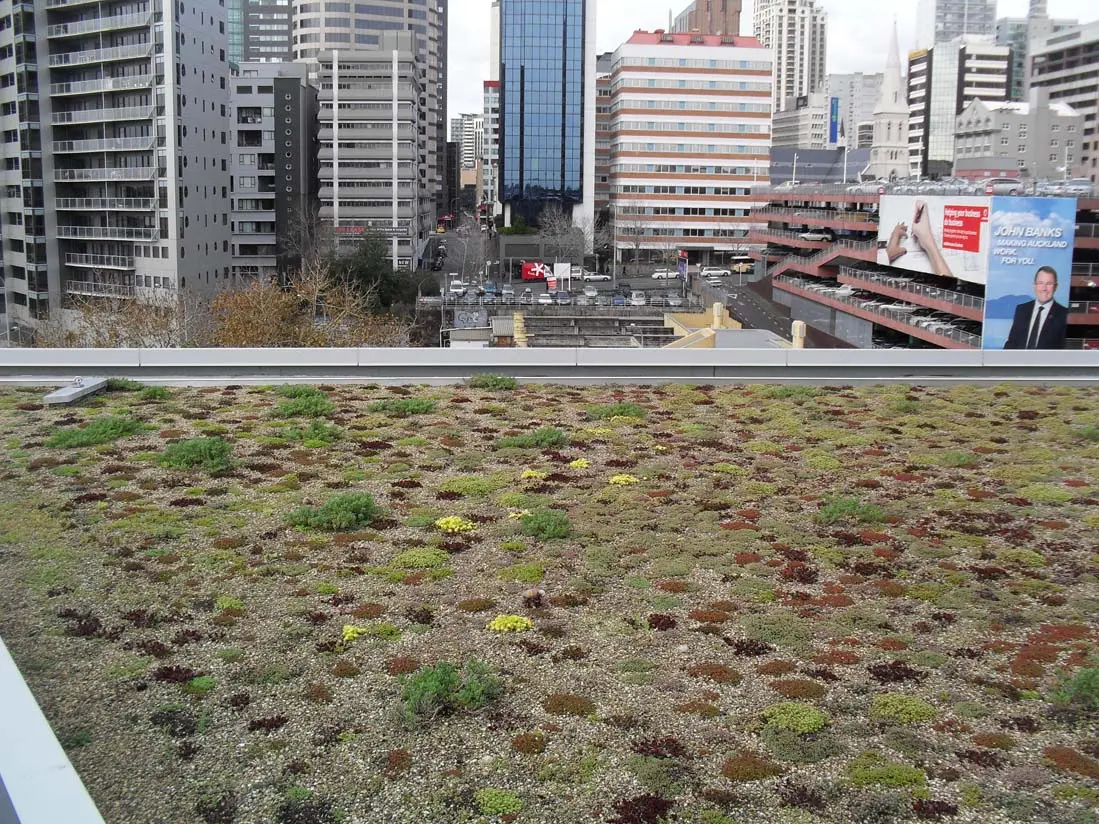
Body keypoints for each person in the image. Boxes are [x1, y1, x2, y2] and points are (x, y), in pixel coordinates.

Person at [1003, 266, 1068, 349]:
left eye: (1049, 284)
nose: (1044, 288)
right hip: (1018, 361)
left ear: (1055, 287)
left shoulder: (1064, 315)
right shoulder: (1021, 310)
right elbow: (1011, 343)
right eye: (1040, 283)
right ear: (1034, 286)